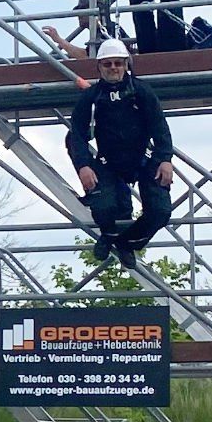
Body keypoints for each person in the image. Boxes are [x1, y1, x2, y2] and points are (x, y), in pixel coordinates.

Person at [67, 38, 174, 269]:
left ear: (126, 64)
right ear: (99, 67)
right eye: (107, 64)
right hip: (109, 163)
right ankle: (109, 234)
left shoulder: (142, 92)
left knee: (160, 210)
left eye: (118, 63)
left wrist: (165, 159)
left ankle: (126, 242)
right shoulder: (91, 97)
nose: (113, 68)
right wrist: (83, 166)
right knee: (103, 207)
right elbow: (76, 134)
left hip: (144, 159)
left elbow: (160, 126)